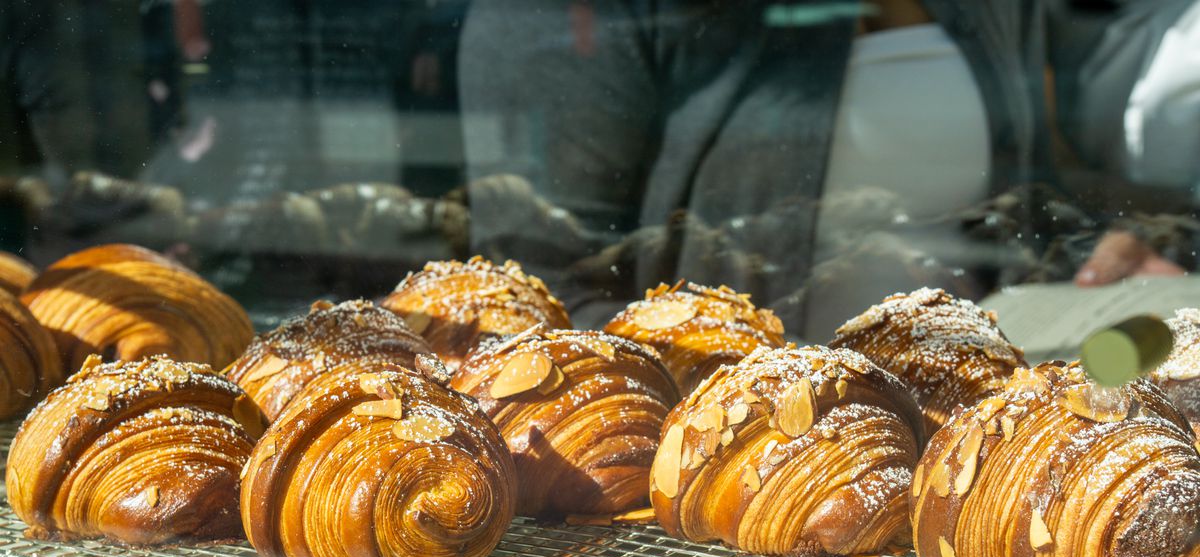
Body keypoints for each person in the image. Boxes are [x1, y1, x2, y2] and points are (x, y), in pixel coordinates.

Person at [458, 0, 1199, 334]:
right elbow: (537, 303)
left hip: (980, 425)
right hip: (749, 492)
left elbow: (1019, 201)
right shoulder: (576, 15)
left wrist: (1113, 243)